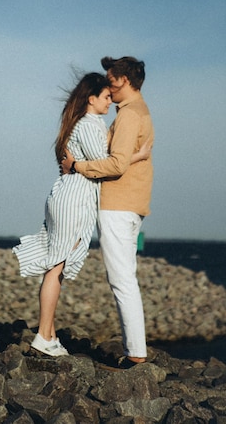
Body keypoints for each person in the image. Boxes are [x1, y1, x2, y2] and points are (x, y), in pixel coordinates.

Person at [13, 71, 150, 357]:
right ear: (91, 99)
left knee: (57, 267)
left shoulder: (79, 123)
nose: (110, 101)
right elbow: (110, 163)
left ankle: (48, 334)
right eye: (105, 97)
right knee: (56, 267)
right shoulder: (89, 124)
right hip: (74, 200)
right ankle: (43, 335)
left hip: (67, 196)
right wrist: (136, 156)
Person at [61, 56, 154, 368]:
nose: (108, 86)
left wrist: (76, 166)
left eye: (110, 79)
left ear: (124, 80)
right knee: (126, 277)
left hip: (117, 204)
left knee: (121, 279)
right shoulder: (140, 111)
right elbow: (127, 158)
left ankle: (136, 354)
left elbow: (116, 164)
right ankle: (136, 350)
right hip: (130, 203)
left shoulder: (129, 115)